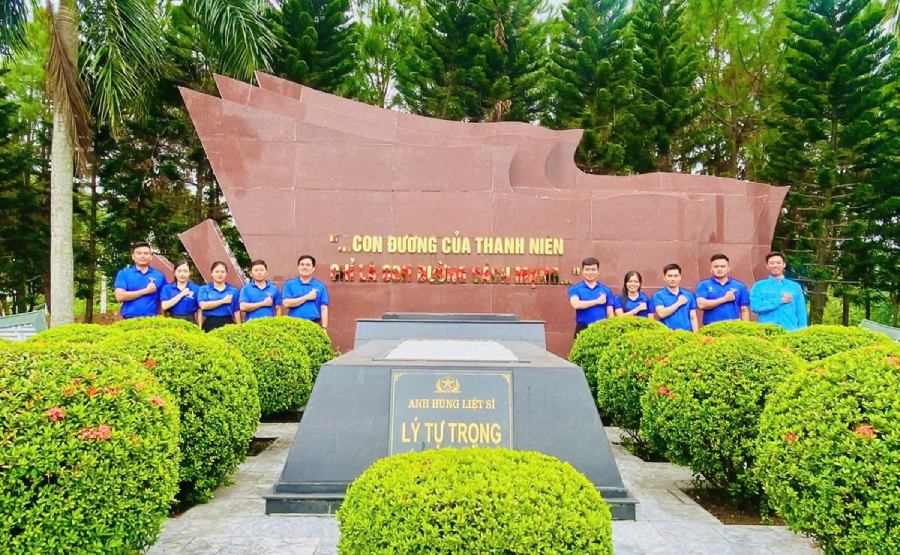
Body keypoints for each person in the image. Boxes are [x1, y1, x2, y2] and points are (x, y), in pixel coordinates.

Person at [750, 251, 808, 331]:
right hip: (766, 331)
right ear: (767, 266)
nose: (775, 266)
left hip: (790, 330)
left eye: (778, 263)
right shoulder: (759, 286)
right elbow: (755, 307)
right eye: (772, 263)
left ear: (784, 265)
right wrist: (780, 301)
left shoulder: (795, 287)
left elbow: (801, 312)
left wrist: (803, 331)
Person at [114, 241, 166, 319]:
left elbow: (163, 299)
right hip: (129, 320)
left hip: (152, 320)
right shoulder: (124, 274)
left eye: (146, 253)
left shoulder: (159, 276)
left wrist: (162, 318)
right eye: (139, 253)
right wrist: (146, 291)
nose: (142, 256)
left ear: (151, 257)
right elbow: (119, 296)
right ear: (133, 256)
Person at [695, 254, 750, 326]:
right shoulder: (703, 285)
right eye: (716, 267)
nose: (719, 269)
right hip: (711, 326)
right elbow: (701, 304)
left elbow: (744, 310)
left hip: (733, 326)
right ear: (711, 269)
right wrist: (724, 299)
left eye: (723, 266)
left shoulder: (740, 286)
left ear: (729, 268)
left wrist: (745, 328)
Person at [568, 257, 614, 336]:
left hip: (601, 328)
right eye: (587, 269)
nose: (590, 272)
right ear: (582, 272)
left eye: (593, 269)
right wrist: (597, 301)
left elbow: (610, 314)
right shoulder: (575, 289)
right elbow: (576, 304)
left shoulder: (606, 290)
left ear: (598, 272)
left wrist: (610, 328)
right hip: (582, 328)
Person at [282, 255, 329, 330]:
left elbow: (324, 308)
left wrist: (324, 328)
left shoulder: (320, 286)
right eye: (302, 264)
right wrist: (307, 297)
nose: (305, 267)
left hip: (314, 324)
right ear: (298, 267)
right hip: (293, 324)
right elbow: (286, 303)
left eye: (308, 265)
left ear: (313, 268)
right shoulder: (289, 284)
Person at [653, 263, 699, 332]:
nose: (673, 279)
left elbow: (693, 317)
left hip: (686, 333)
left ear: (680, 277)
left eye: (675, 276)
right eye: (670, 276)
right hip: (667, 334)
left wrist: (696, 336)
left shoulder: (688, 295)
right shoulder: (658, 295)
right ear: (665, 277)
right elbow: (661, 314)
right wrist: (678, 303)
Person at [198, 261, 242, 332]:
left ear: (226, 274)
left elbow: (236, 311)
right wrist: (223, 301)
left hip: (228, 323)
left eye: (222, 272)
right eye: (217, 272)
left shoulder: (233, 291)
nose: (220, 274)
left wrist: (239, 328)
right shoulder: (204, 289)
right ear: (212, 273)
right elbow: (203, 306)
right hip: (210, 323)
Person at [160, 259, 201, 325]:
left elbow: (200, 309)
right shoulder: (167, 288)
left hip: (190, 321)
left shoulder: (196, 289)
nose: (182, 274)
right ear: (174, 273)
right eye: (179, 271)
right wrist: (181, 294)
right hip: (172, 320)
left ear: (189, 273)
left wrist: (200, 327)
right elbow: (164, 306)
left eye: (185, 271)